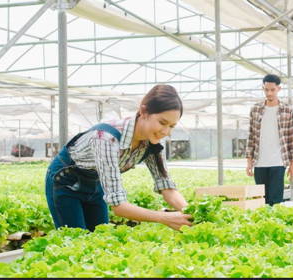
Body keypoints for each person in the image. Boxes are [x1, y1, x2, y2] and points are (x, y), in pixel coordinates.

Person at [45, 85, 192, 232]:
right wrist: (165, 218)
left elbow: (167, 188)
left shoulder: (153, 141)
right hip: (65, 182)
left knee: (101, 236)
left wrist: (192, 213)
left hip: (96, 184)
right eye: (162, 122)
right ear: (144, 112)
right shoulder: (106, 138)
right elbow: (119, 207)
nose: (166, 131)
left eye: (172, 126)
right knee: (75, 240)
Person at [245, 74, 293, 206]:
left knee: (276, 201)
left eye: (272, 90)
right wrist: (249, 162)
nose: (269, 93)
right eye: (266, 89)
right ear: (263, 88)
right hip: (259, 162)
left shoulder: (287, 110)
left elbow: (291, 138)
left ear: (278, 89)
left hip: (279, 161)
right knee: (262, 200)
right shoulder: (255, 109)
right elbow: (251, 136)